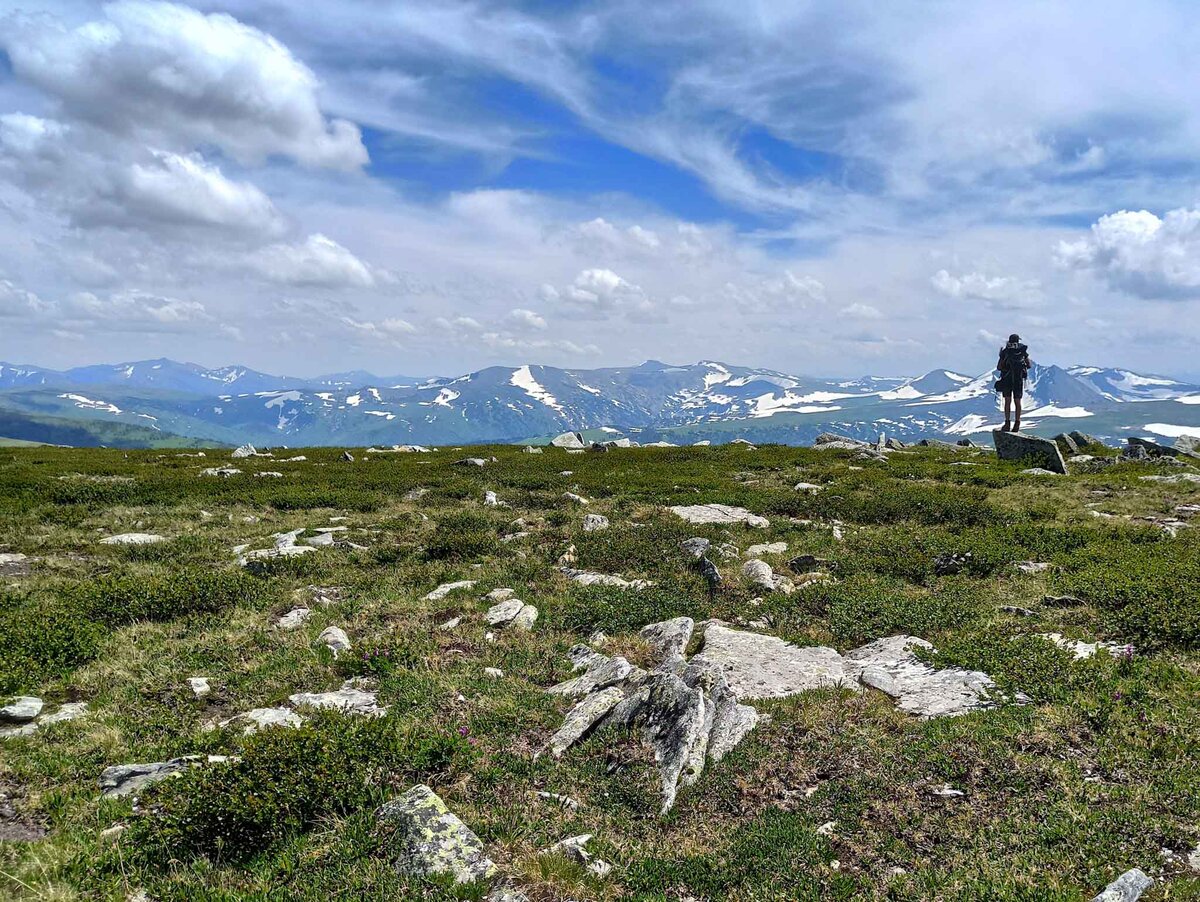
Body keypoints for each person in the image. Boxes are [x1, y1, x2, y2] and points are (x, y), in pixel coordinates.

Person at [995, 333, 1031, 432]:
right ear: (1018, 341)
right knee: (1017, 401)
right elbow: (1029, 365)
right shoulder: (1022, 351)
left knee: (1007, 401)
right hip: (1018, 379)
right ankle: (1017, 424)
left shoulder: (1005, 351)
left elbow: (999, 367)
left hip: (1006, 378)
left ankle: (1007, 423)